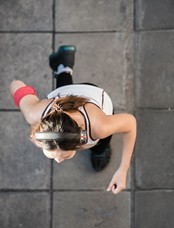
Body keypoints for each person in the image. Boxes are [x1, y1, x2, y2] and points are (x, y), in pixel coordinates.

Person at [10, 45, 136, 195]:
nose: (59, 161)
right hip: (64, 96)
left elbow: (130, 123)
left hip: (94, 97)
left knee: (100, 143)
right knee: (65, 89)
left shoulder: (100, 127)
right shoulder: (33, 114)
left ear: (82, 139)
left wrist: (123, 168)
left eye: (66, 155)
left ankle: (99, 151)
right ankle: (63, 65)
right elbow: (15, 85)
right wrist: (28, 103)